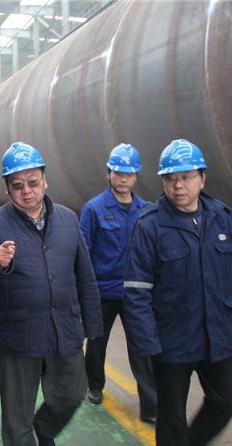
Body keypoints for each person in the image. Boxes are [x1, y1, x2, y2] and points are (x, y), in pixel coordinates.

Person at [0, 142, 103, 446]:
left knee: (73, 392)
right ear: (7, 188)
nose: (27, 191)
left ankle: (45, 427)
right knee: (17, 414)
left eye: (33, 182)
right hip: (19, 334)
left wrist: (93, 325)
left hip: (64, 327)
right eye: (18, 185)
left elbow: (85, 275)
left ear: (45, 180)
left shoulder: (68, 220)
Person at [123, 139, 232, 446]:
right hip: (172, 338)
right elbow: (136, 290)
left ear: (202, 179)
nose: (178, 186)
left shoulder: (223, 218)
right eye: (170, 179)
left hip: (217, 332)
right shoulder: (149, 225)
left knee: (227, 398)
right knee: (171, 416)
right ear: (163, 182)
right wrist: (146, 340)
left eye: (186, 177)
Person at [79, 144, 157, 422]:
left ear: (136, 176)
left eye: (129, 174)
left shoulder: (146, 211)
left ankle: (151, 405)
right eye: (119, 173)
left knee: (143, 348)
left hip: (137, 295)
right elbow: (84, 254)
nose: (123, 178)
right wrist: (85, 293)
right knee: (97, 343)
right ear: (109, 173)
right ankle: (95, 385)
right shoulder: (94, 209)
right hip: (103, 292)